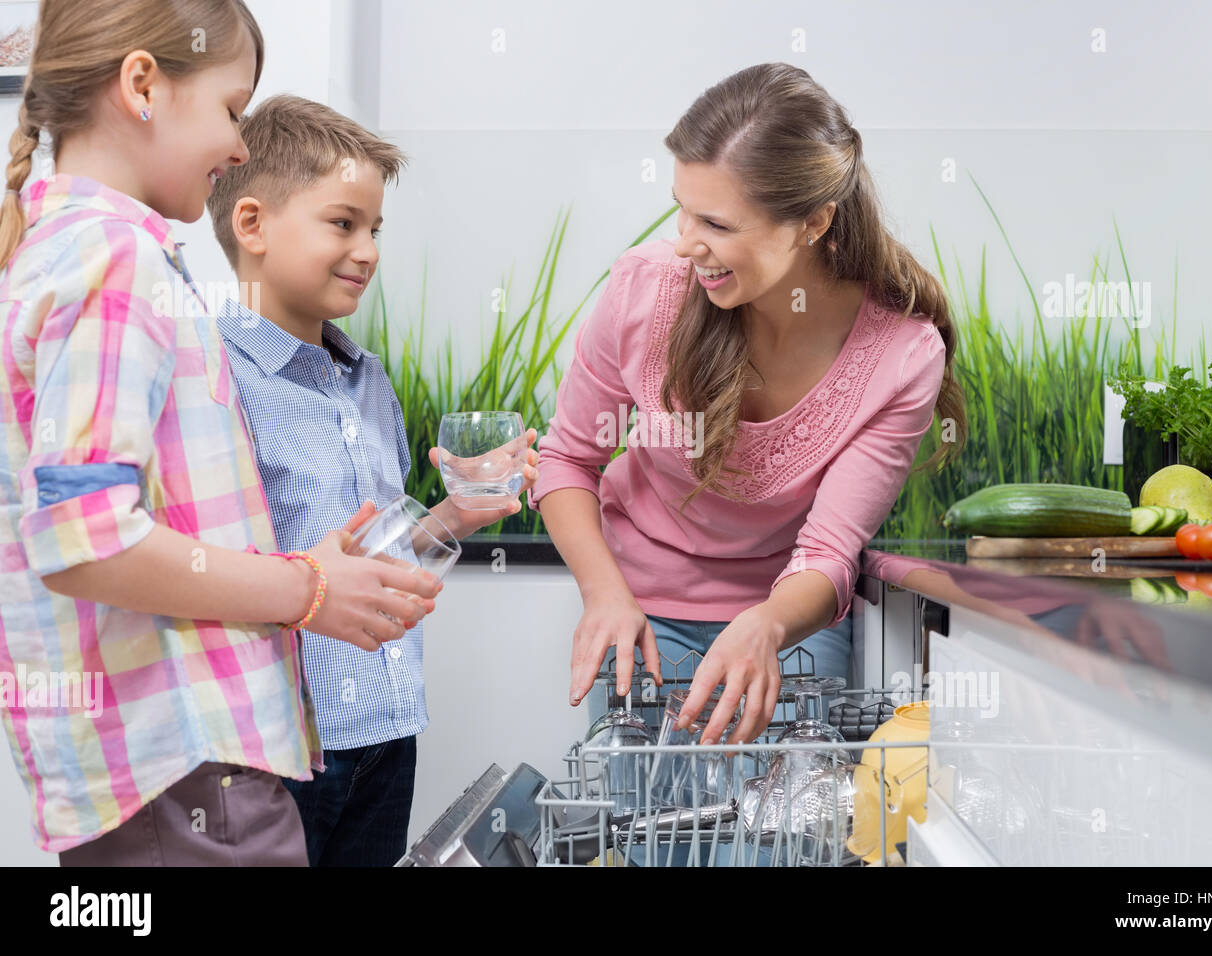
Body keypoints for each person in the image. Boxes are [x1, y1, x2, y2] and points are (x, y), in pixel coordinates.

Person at [0, 0, 438, 866]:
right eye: (233, 110)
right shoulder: (112, 262)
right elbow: (85, 541)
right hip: (186, 770)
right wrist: (307, 589)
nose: (240, 147)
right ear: (142, 87)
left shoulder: (81, 252)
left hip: (184, 770)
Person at [530, 63, 967, 746]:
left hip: (788, 624)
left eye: (716, 222)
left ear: (813, 222)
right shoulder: (645, 292)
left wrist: (765, 624)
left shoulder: (901, 357)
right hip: (642, 617)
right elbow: (566, 460)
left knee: (787, 839)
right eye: (681, 208)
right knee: (653, 842)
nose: (684, 242)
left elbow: (828, 551)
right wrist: (605, 594)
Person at [205, 94, 539, 866]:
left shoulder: (368, 380)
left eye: (375, 229)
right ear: (251, 225)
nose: (368, 249)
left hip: (388, 732)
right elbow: (212, 575)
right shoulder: (216, 380)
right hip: (286, 751)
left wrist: (451, 517)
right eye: (342, 223)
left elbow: (376, 553)